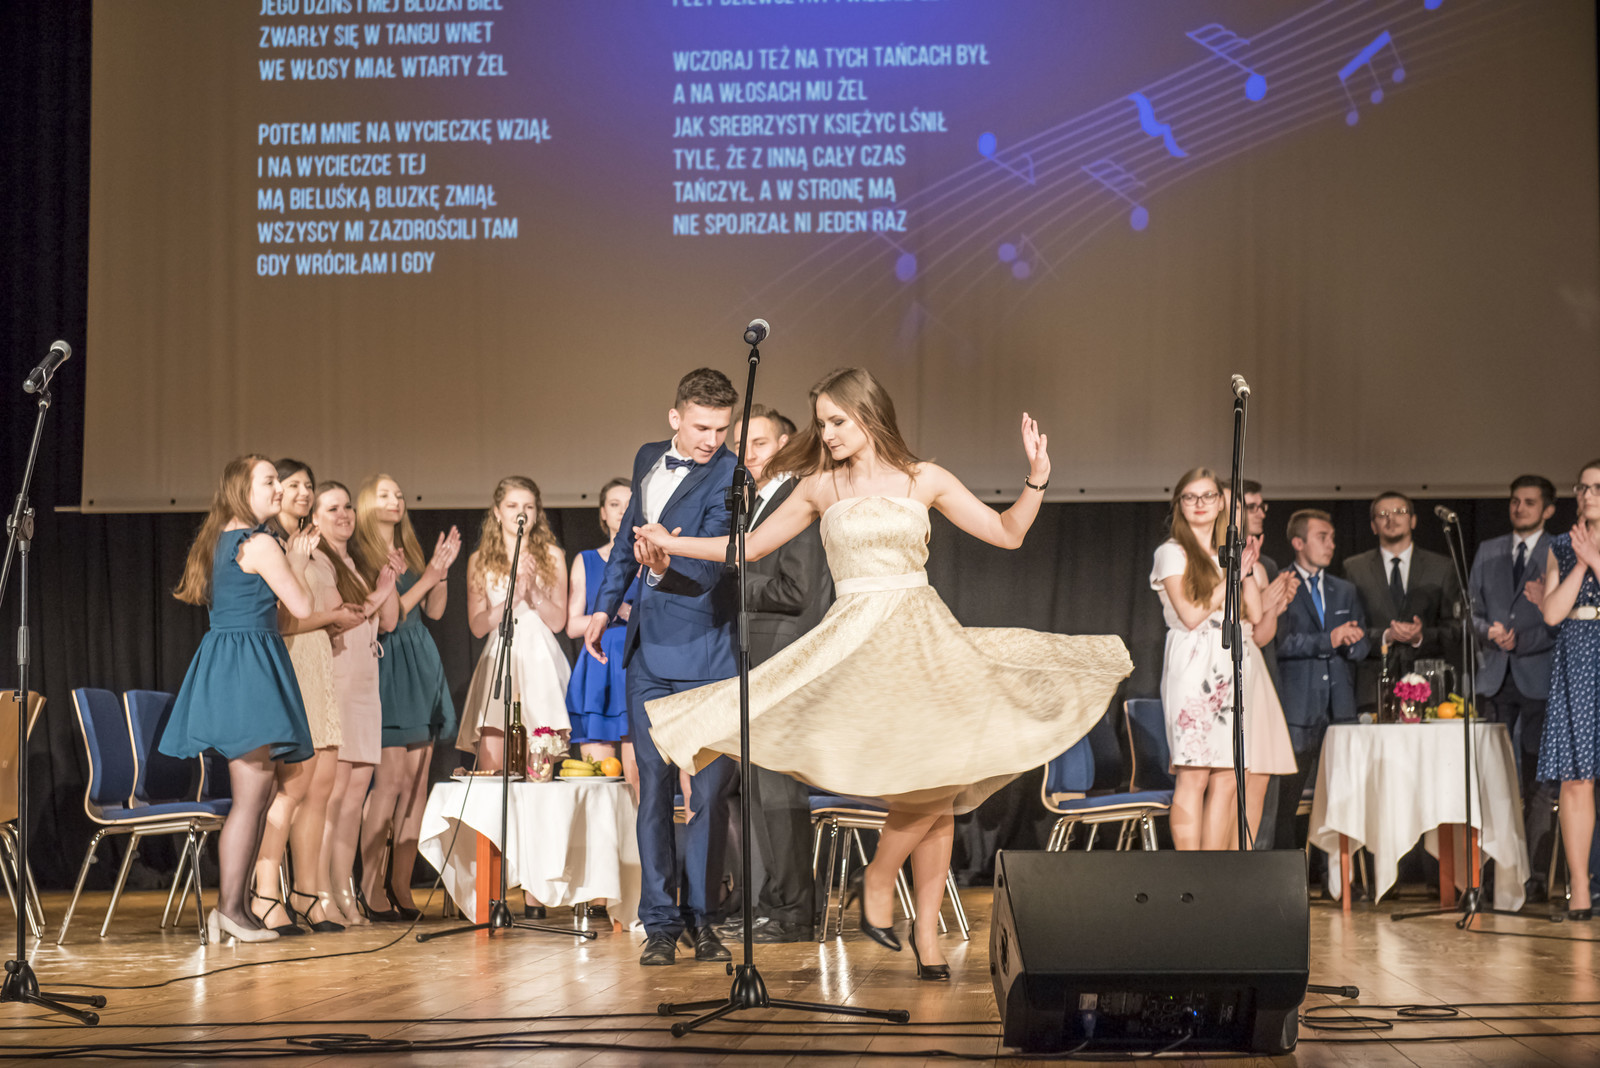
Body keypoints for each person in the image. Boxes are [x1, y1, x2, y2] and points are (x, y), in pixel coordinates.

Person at [633, 366, 1131, 979]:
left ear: (868, 414)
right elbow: (748, 549)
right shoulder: (819, 486)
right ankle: (884, 885)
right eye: (821, 423)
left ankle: (917, 926)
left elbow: (1008, 532)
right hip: (860, 645)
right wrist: (671, 544)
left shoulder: (925, 477)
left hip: (925, 641)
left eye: (837, 421)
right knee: (928, 790)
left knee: (939, 786)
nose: (827, 433)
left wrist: (1037, 478)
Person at [582, 367, 742, 967]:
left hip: (707, 652)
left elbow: (711, 567)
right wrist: (604, 607)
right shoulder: (649, 456)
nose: (711, 440)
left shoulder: (731, 474)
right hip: (648, 654)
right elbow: (630, 539)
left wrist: (662, 566)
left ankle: (705, 920)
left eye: (721, 429)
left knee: (707, 796)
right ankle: (660, 923)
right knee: (651, 790)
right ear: (675, 418)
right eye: (701, 428)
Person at [160, 455, 317, 944]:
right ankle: (230, 908)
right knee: (251, 798)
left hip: (235, 661)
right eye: (269, 482)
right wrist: (298, 561)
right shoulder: (260, 543)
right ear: (240, 491)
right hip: (248, 668)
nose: (279, 490)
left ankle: (239, 908)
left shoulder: (222, 540)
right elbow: (302, 605)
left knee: (260, 793)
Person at [1151, 468, 1295, 851]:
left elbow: (1253, 613)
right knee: (1194, 775)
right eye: (1190, 497)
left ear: (1220, 504)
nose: (1199, 504)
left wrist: (1244, 571)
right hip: (1193, 664)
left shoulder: (1228, 552)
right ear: (1179, 505)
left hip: (1233, 666)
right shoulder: (1171, 553)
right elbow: (1191, 615)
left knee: (1229, 775)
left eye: (1208, 496)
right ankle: (1191, 871)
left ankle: (1215, 871)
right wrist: (1231, 573)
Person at [250, 459, 363, 935]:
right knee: (292, 789)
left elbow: (317, 612)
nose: (302, 492)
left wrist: (337, 624)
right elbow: (281, 620)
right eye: (293, 484)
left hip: (320, 667)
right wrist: (332, 619)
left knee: (321, 789)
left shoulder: (314, 550)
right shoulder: (272, 546)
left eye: (307, 485)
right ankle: (266, 893)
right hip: (292, 668)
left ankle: (308, 893)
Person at [732, 403, 832, 943]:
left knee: (778, 794)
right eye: (742, 444)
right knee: (757, 794)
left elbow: (797, 591)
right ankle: (770, 905)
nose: (748, 454)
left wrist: (733, 584)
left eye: (760, 443)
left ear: (785, 445)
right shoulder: (755, 505)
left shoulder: (799, 498)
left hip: (785, 660)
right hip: (756, 661)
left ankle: (794, 913)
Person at [352, 474, 461, 921]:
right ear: (365, 503)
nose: (394, 500)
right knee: (390, 783)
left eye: (398, 494)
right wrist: (429, 575)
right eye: (384, 494)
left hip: (421, 662)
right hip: (388, 662)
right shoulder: (361, 554)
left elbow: (434, 610)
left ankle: (400, 883)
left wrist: (440, 573)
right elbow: (391, 620)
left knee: (416, 786)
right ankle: (369, 884)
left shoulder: (409, 551)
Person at [310, 481, 400, 927]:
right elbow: (341, 618)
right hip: (339, 680)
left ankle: (345, 889)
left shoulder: (357, 561)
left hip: (366, 683)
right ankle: (321, 891)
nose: (344, 514)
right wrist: (379, 591)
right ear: (314, 518)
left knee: (355, 797)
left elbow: (389, 620)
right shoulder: (318, 561)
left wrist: (388, 579)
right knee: (334, 797)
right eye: (332, 508)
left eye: (347, 506)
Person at [1469, 475, 1559, 901]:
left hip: (1539, 676)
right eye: (1514, 501)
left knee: (1537, 780)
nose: (1519, 508)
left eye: (1529, 502)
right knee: (1494, 780)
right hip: (1495, 677)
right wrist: (1489, 632)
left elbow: (1564, 617)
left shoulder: (1559, 549)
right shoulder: (1488, 550)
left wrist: (1521, 640)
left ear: (1548, 510)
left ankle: (1534, 878)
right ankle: (1492, 877)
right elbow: (1470, 610)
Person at [1271, 509, 1369, 852]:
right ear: (1298, 543)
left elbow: (1362, 644)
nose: (1331, 545)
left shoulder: (1344, 589)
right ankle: (1286, 873)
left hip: (1339, 710)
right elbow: (1280, 643)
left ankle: (1339, 876)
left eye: (1332, 538)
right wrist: (1330, 639)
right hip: (1297, 711)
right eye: (1322, 537)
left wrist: (1354, 642)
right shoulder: (1280, 584)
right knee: (1286, 802)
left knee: (1344, 803)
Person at [457, 477, 571, 768]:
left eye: (528, 506)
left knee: (539, 763)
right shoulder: (480, 560)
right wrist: (513, 597)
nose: (521, 512)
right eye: (512, 505)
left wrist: (532, 591)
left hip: (540, 658)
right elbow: (478, 626)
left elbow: (558, 622)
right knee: (493, 763)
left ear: (537, 512)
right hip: (500, 655)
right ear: (497, 511)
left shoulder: (553, 556)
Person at [1536, 459, 1600, 920]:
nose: (1588, 494)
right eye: (1583, 487)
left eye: (1597, 487)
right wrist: (1580, 562)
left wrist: (1595, 558)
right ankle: (1579, 888)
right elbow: (1552, 613)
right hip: (1577, 658)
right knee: (1576, 779)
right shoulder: (1559, 545)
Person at [1343, 491, 1462, 719]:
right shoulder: (1354, 568)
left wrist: (1420, 636)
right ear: (1373, 526)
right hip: (1373, 687)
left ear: (1413, 521)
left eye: (1400, 512)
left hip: (1426, 686)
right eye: (1383, 514)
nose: (1391, 518)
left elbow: (1454, 630)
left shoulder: (1442, 567)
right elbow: (1350, 628)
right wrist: (1386, 635)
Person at [566, 478, 638, 779]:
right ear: (603, 513)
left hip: (636, 665)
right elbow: (572, 625)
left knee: (639, 778)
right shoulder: (586, 560)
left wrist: (629, 612)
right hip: (599, 666)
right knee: (597, 777)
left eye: (628, 505)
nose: (621, 511)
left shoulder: (650, 559)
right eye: (614, 504)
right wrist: (609, 613)